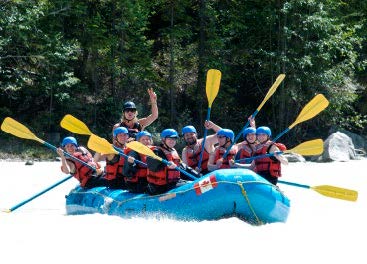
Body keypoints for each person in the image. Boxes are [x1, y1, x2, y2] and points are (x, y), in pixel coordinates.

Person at [145, 129, 182, 195]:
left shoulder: (173, 151)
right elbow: (152, 166)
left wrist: (197, 174)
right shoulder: (156, 151)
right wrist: (165, 165)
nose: (172, 141)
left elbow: (182, 166)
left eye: (174, 139)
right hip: (159, 187)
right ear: (163, 140)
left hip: (172, 182)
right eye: (169, 139)